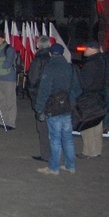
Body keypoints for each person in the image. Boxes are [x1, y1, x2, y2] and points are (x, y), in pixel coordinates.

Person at [34, 44, 81, 175]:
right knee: (68, 138)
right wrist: (70, 100)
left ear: (50, 54)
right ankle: (70, 166)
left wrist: (39, 107)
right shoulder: (70, 67)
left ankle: (54, 167)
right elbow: (77, 88)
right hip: (67, 107)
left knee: (54, 138)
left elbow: (44, 90)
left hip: (53, 107)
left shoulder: (50, 68)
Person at [77, 40, 106, 159]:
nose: (85, 50)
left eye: (87, 48)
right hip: (99, 96)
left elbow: (85, 83)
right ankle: (97, 150)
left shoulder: (91, 63)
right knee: (97, 124)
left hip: (89, 97)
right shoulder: (102, 60)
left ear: (93, 49)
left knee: (87, 124)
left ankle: (88, 151)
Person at [27, 35, 52, 162]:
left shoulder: (38, 61)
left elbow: (33, 79)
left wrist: (32, 94)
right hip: (53, 97)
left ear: (38, 45)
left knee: (42, 127)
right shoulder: (54, 59)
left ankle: (46, 155)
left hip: (41, 96)